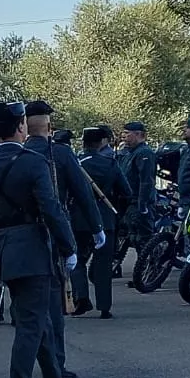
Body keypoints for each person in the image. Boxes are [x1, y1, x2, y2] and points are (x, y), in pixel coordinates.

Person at [0, 101, 76, 378]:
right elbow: (51, 208)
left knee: (38, 322)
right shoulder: (32, 161)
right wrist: (68, 246)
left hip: (4, 251)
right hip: (32, 251)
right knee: (30, 328)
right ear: (20, 128)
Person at [22, 101, 99, 378]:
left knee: (30, 304)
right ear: (49, 127)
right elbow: (83, 193)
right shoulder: (61, 154)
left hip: (24, 237)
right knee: (55, 301)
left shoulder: (19, 153)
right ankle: (56, 363)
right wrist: (97, 227)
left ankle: (33, 359)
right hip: (55, 233)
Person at [74, 126, 133, 319]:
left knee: (78, 261)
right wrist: (116, 213)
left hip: (79, 218)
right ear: (102, 143)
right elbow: (126, 192)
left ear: (83, 143)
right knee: (103, 264)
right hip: (105, 218)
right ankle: (104, 306)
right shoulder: (110, 163)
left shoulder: (77, 163)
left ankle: (81, 298)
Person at [116, 122, 157, 280]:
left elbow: (146, 181)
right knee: (135, 238)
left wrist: (143, 204)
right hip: (130, 202)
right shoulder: (129, 153)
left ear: (139, 135)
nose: (124, 136)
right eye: (124, 133)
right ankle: (142, 274)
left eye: (128, 133)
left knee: (144, 239)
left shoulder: (144, 153)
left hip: (140, 203)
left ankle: (150, 273)